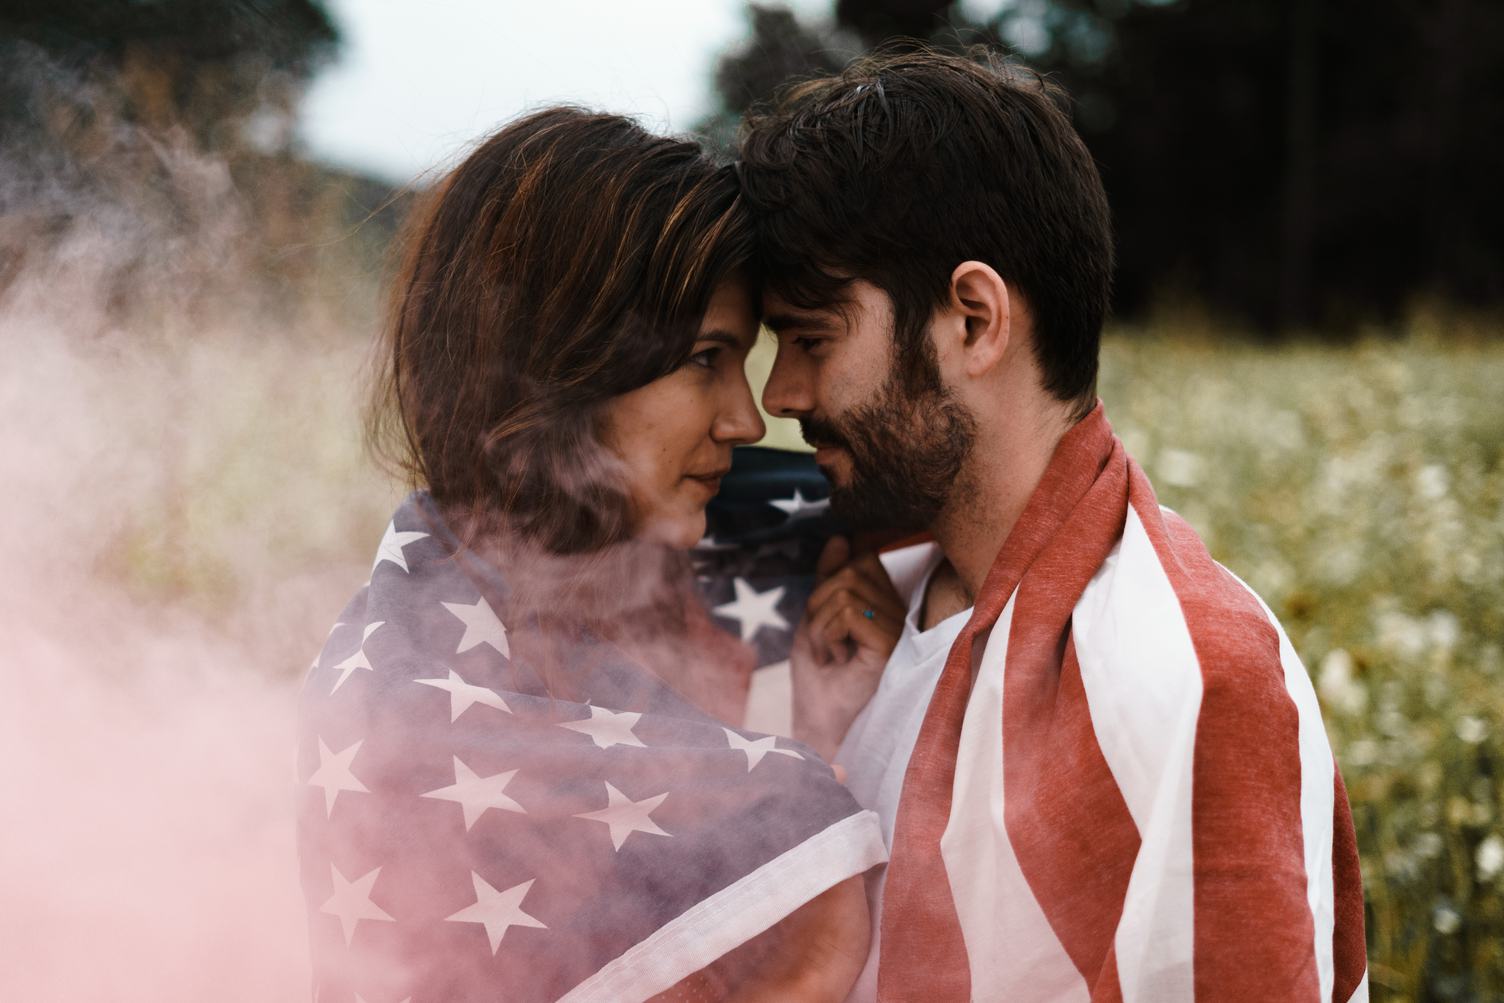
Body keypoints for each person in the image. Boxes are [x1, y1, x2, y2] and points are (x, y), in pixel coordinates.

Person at [736, 48, 1369, 1002]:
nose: (779, 396)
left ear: (975, 321)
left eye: (813, 339)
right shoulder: (856, 584)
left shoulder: (1188, 679)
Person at [296, 107, 887, 1003]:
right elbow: (790, 910)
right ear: (560, 366)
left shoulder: (568, 602)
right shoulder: (417, 702)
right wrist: (819, 769)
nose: (747, 419)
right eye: (704, 358)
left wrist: (827, 719)